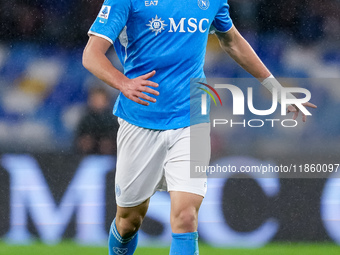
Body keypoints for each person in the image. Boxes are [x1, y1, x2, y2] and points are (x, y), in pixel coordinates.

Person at [82, 0, 317, 254]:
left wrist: (276, 89)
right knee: (129, 221)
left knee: (186, 217)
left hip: (191, 117)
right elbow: (91, 54)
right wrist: (124, 83)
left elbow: (233, 41)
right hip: (140, 120)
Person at [75, 87, 119, 155]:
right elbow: (79, 139)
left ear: (107, 101)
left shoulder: (112, 120)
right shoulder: (86, 119)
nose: (98, 103)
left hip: (110, 157)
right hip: (87, 156)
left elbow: (115, 140)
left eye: (101, 99)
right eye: (96, 99)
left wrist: (107, 143)